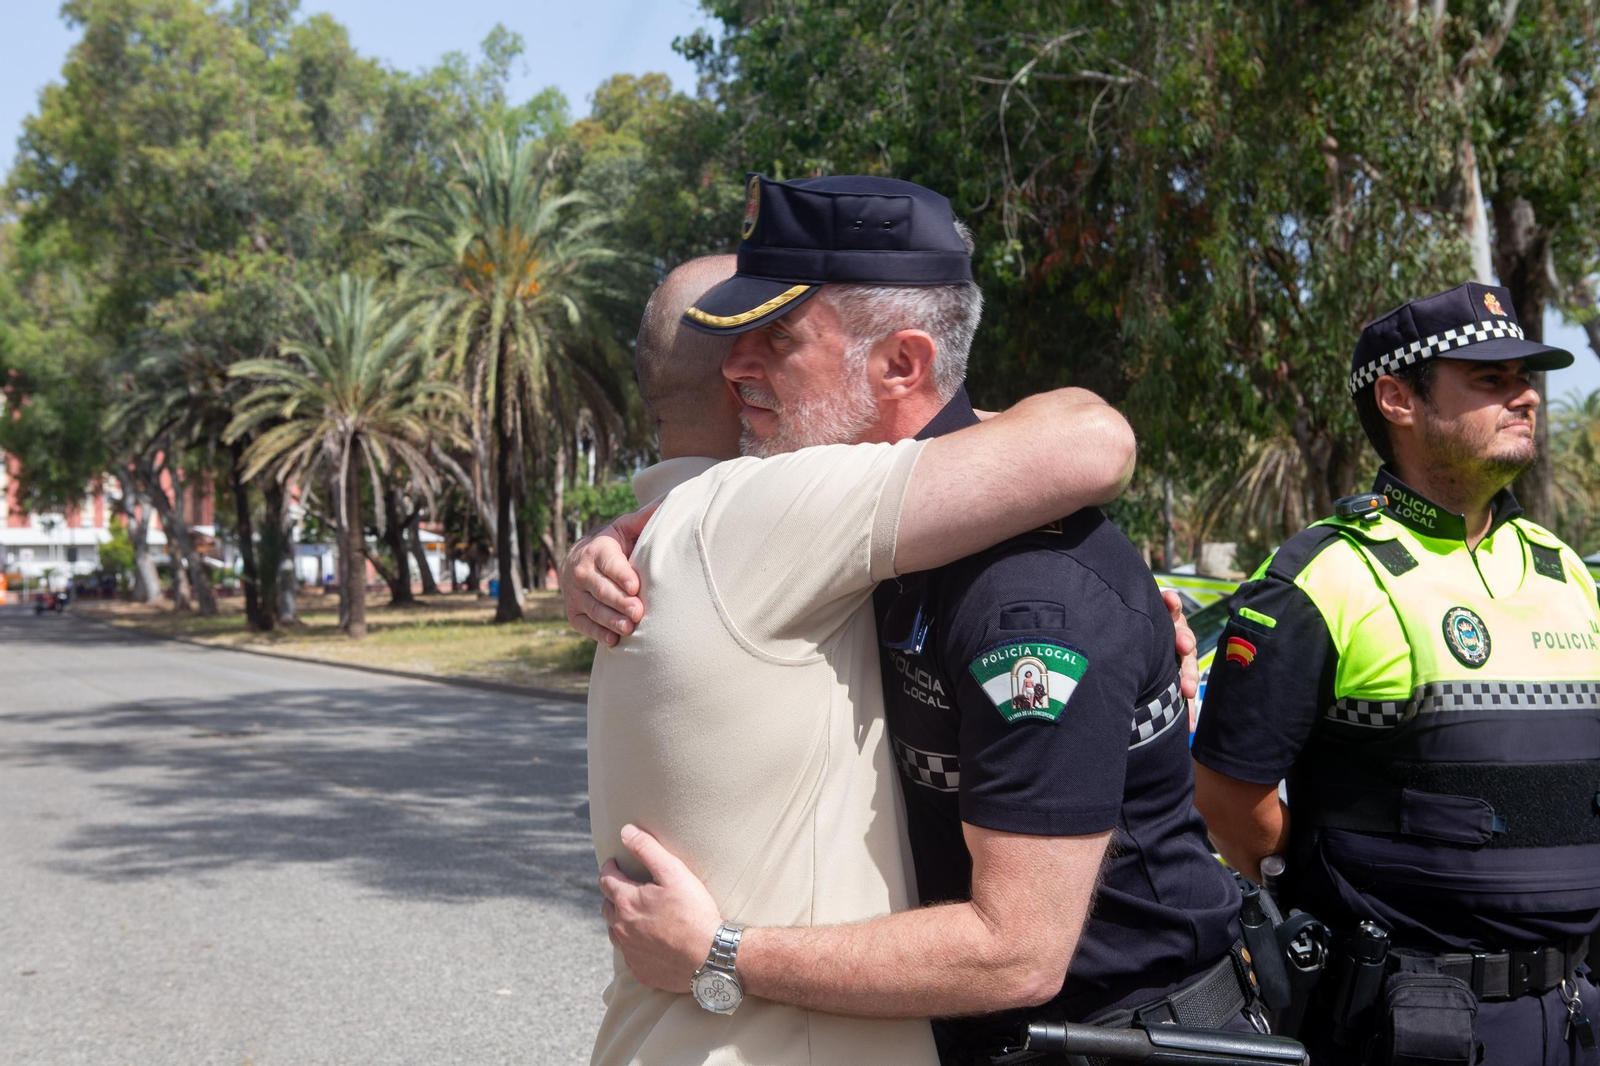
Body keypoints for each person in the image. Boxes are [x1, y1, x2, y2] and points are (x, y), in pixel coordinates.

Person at [571, 173, 1253, 1066]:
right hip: (974, 1031)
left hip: (1112, 1039)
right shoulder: (851, 538)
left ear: (901, 364)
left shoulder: (1028, 591)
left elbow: (1014, 952)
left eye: (779, 339)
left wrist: (720, 952)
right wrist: (618, 540)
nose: (736, 371)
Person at [1190, 281, 1600, 1065]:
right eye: (1490, 378)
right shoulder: (1324, 576)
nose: (1525, 396)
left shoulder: (1565, 571)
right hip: (1415, 1025)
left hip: (1575, 1011)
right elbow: (1227, 801)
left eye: (1524, 378)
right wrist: (1316, 897)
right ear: (1397, 399)